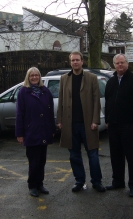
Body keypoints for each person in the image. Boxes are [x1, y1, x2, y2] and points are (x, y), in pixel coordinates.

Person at [57, 51, 106, 193]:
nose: (75, 62)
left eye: (77, 60)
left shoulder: (91, 78)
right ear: (70, 62)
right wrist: (59, 120)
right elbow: (61, 100)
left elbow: (96, 101)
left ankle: (97, 182)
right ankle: (79, 181)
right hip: (69, 124)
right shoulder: (64, 78)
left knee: (93, 155)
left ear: (82, 61)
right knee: (74, 155)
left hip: (88, 124)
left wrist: (95, 120)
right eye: (73, 60)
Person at [104, 53, 133, 197]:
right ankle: (118, 181)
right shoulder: (111, 82)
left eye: (122, 63)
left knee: (132, 157)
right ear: (114, 65)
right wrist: (108, 120)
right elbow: (108, 102)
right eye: (117, 63)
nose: (120, 65)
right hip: (114, 125)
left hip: (129, 125)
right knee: (116, 156)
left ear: (127, 64)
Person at [15, 67, 57, 197]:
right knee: (33, 161)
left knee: (42, 160)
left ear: (39, 77)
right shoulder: (23, 92)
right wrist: (20, 134)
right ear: (28, 77)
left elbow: (50, 113)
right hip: (31, 132)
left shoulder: (46, 92)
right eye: (31, 75)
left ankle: (40, 184)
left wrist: (52, 129)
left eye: (36, 75)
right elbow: (19, 114)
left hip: (44, 130)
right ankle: (32, 185)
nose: (34, 77)